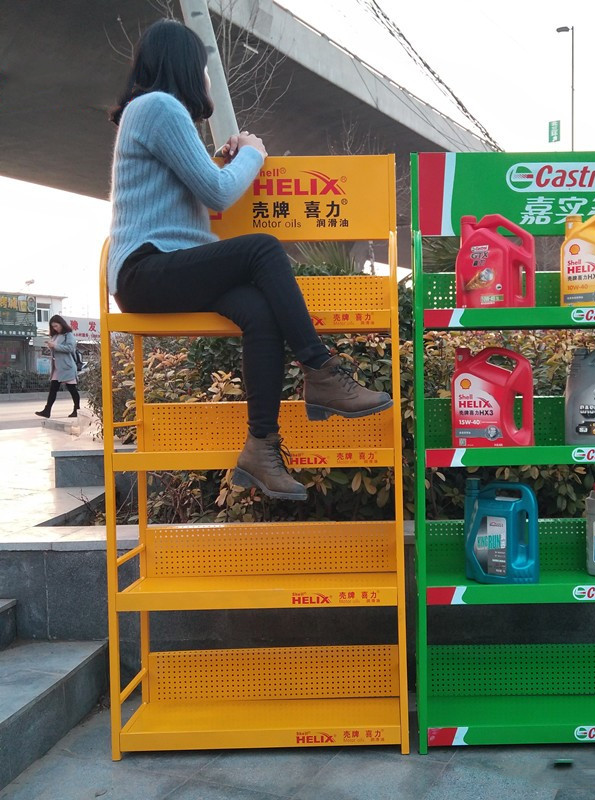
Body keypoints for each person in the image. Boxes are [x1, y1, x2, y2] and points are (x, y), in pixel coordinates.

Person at [107, 19, 391, 502]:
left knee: (260, 315)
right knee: (261, 247)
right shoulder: (158, 106)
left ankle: (260, 447)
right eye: (204, 68)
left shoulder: (156, 114)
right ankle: (320, 371)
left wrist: (227, 155)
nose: (207, 79)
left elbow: (197, 184)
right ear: (186, 68)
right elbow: (217, 190)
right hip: (146, 268)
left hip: (171, 264)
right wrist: (254, 153)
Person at [35, 315, 80, 419]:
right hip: (57, 367)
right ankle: (47, 410)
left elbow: (70, 348)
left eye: (56, 326)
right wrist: (51, 346)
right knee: (53, 389)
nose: (55, 328)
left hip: (67, 366)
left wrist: (54, 346)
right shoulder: (55, 336)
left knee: (72, 388)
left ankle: (77, 410)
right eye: (53, 327)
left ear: (61, 324)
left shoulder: (68, 335)